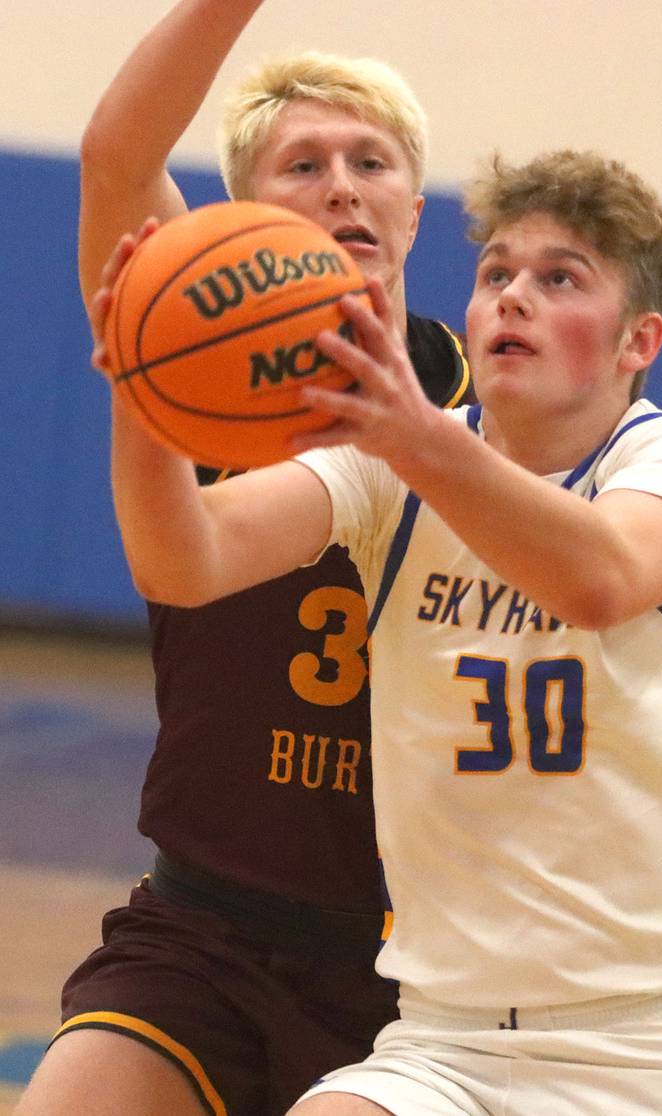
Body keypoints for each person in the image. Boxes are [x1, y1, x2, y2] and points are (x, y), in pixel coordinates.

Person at [88, 148, 662, 1115]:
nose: (513, 297)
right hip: (441, 1040)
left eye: (559, 278)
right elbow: (185, 559)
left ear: (638, 342)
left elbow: (600, 576)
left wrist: (410, 432)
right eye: (496, 273)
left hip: (654, 1044)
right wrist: (141, 391)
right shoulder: (389, 471)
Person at [17, 3, 472, 1115]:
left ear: (415, 210)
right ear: (241, 219)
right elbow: (117, 160)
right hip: (207, 931)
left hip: (433, 970)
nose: (344, 185)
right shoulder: (196, 373)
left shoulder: (483, 427)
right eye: (303, 164)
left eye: (373, 162)